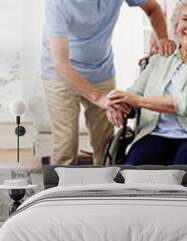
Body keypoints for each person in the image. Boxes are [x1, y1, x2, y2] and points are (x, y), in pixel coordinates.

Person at [107, 0, 187, 194]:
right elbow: (134, 93)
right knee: (135, 173)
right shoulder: (159, 59)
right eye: (185, 19)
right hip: (154, 133)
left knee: (186, 172)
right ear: (176, 25)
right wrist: (118, 105)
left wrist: (139, 102)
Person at [42, 0, 176, 165]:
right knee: (66, 143)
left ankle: (105, 187)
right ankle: (61, 190)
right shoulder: (57, 4)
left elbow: (153, 8)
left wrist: (162, 39)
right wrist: (99, 98)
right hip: (61, 75)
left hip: (100, 71)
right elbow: (61, 65)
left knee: (105, 142)